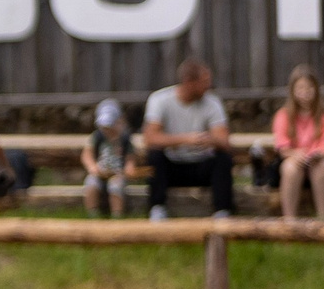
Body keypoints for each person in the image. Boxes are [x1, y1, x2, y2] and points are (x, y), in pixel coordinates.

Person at [141, 58, 234, 220]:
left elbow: (224, 141)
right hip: (172, 166)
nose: (209, 85)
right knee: (154, 156)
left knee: (223, 159)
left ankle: (222, 211)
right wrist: (185, 139)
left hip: (201, 164)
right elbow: (150, 139)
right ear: (189, 82)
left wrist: (210, 140)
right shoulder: (160, 100)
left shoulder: (213, 102)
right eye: (204, 82)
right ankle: (157, 208)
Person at [271, 63, 324, 221]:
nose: (305, 93)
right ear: (292, 91)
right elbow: (282, 147)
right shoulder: (283, 115)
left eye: (309, 88)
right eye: (300, 88)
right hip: (296, 163)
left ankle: (323, 220)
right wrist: (295, 154)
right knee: (290, 167)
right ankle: (290, 220)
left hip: (319, 164)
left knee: (321, 169)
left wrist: (319, 153)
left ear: (316, 90)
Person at [80, 99, 135, 218]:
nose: (107, 130)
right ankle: (92, 213)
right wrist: (92, 167)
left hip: (117, 173)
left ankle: (117, 215)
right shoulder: (97, 137)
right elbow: (87, 154)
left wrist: (129, 167)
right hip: (100, 172)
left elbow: (130, 157)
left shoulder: (124, 138)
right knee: (91, 184)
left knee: (116, 187)